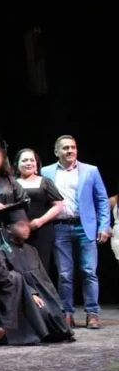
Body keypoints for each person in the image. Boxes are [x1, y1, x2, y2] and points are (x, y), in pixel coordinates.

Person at [41, 135, 110, 329]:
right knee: (64, 274)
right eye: (65, 148)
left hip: (85, 226)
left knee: (89, 271)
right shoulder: (46, 172)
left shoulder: (90, 171)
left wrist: (104, 226)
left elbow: (102, 200)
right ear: (57, 152)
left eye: (73, 147)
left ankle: (92, 313)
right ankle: (67, 313)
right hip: (59, 227)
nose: (70, 151)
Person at [0, 202, 74, 343]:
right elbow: (8, 280)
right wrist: (30, 293)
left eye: (27, 224)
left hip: (41, 293)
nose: (26, 229)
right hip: (21, 297)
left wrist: (55, 300)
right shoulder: (2, 252)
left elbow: (44, 279)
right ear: (8, 228)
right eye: (20, 225)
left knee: (55, 312)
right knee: (43, 311)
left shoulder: (32, 250)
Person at [13, 148, 64, 277]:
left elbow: (58, 205)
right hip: (17, 232)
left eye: (32, 160)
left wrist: (40, 221)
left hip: (42, 231)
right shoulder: (11, 183)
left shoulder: (45, 182)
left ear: (36, 164)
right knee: (19, 268)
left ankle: (42, 297)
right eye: (24, 160)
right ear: (17, 165)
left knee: (41, 268)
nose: (29, 163)